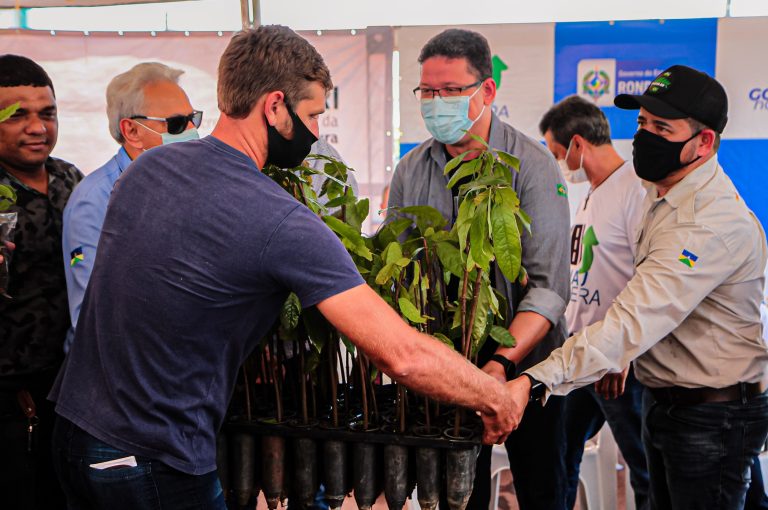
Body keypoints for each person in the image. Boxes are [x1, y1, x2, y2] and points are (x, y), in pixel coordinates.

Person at [48, 25, 522, 510]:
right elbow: (400, 354)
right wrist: (494, 395)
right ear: (275, 106)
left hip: (72, 430)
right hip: (151, 457)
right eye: (314, 114)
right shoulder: (277, 218)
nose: (316, 132)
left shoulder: (147, 170)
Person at [512, 65, 768, 510]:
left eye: (662, 127)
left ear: (703, 143)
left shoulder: (704, 223)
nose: (644, 137)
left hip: (712, 416)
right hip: (667, 399)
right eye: (642, 123)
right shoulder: (662, 191)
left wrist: (534, 380)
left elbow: (634, 316)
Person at [389, 28, 570, 510]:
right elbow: (402, 267)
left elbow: (550, 289)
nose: (436, 102)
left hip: (526, 366)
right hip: (449, 364)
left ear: (486, 91)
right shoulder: (411, 170)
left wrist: (500, 366)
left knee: (541, 489)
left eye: (451, 91)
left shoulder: (530, 166)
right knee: (457, 494)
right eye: (427, 91)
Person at [539, 95, 650, 510]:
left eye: (556, 152)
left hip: (620, 365)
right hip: (583, 354)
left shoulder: (635, 190)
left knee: (643, 468)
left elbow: (649, 277)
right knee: (560, 456)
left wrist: (624, 353)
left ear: (578, 144)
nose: (558, 162)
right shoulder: (591, 192)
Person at [61, 62, 202, 351]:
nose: (191, 131)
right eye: (176, 123)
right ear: (132, 131)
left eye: (193, 119)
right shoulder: (94, 200)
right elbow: (92, 315)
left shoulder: (188, 184)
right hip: (119, 372)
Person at [0, 54, 83, 510]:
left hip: (69, 390)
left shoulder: (72, 179)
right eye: (18, 114)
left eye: (47, 113)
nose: (37, 127)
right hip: (8, 397)